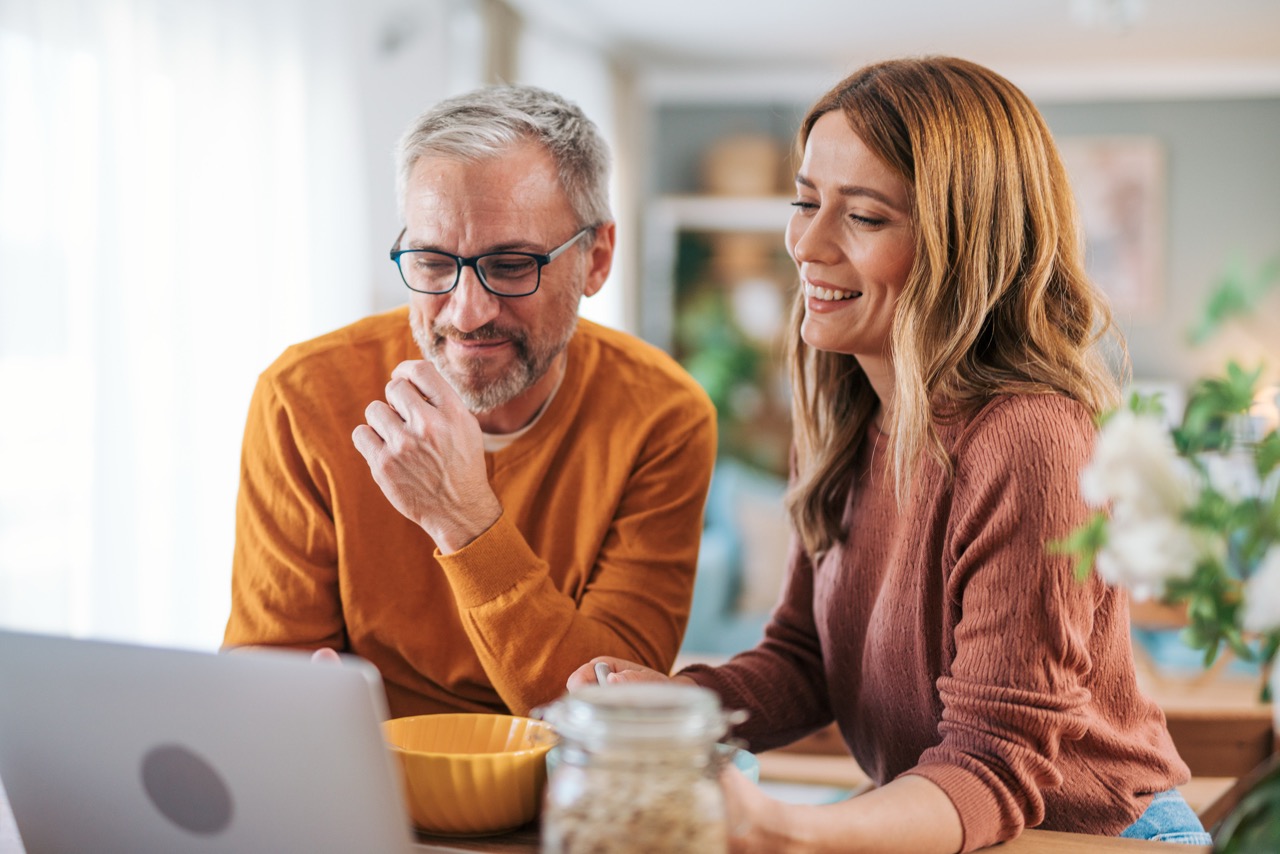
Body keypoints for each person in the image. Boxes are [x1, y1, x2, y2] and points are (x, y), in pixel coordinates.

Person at [569, 57, 1210, 853]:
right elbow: (804, 661)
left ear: (964, 246)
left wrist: (790, 828)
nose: (805, 243)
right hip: (941, 818)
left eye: (865, 218)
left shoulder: (1031, 438)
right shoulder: (844, 412)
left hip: (1092, 834)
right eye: (805, 202)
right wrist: (674, 704)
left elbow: (994, 765)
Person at [224, 84, 717, 719]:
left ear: (596, 259)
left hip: (558, 801)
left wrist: (464, 521)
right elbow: (267, 682)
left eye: (511, 265)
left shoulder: (662, 417)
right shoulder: (303, 397)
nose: (467, 312)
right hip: (364, 788)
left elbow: (615, 715)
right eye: (432, 262)